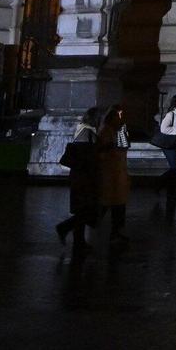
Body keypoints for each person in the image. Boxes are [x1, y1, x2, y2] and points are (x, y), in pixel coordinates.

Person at [54, 107, 101, 252]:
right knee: (86, 209)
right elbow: (88, 156)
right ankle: (65, 228)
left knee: (82, 209)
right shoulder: (87, 133)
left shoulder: (82, 130)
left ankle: (78, 242)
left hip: (79, 176)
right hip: (84, 177)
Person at [93, 103, 132, 246]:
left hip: (117, 174)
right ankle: (75, 226)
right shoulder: (106, 131)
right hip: (110, 175)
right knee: (106, 206)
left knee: (117, 207)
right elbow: (103, 152)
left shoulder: (116, 130)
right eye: (119, 115)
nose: (121, 118)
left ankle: (116, 233)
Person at [154, 95, 176, 194]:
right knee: (175, 168)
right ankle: (160, 184)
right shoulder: (170, 114)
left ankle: (170, 192)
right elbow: (163, 128)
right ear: (175, 103)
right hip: (169, 145)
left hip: (174, 144)